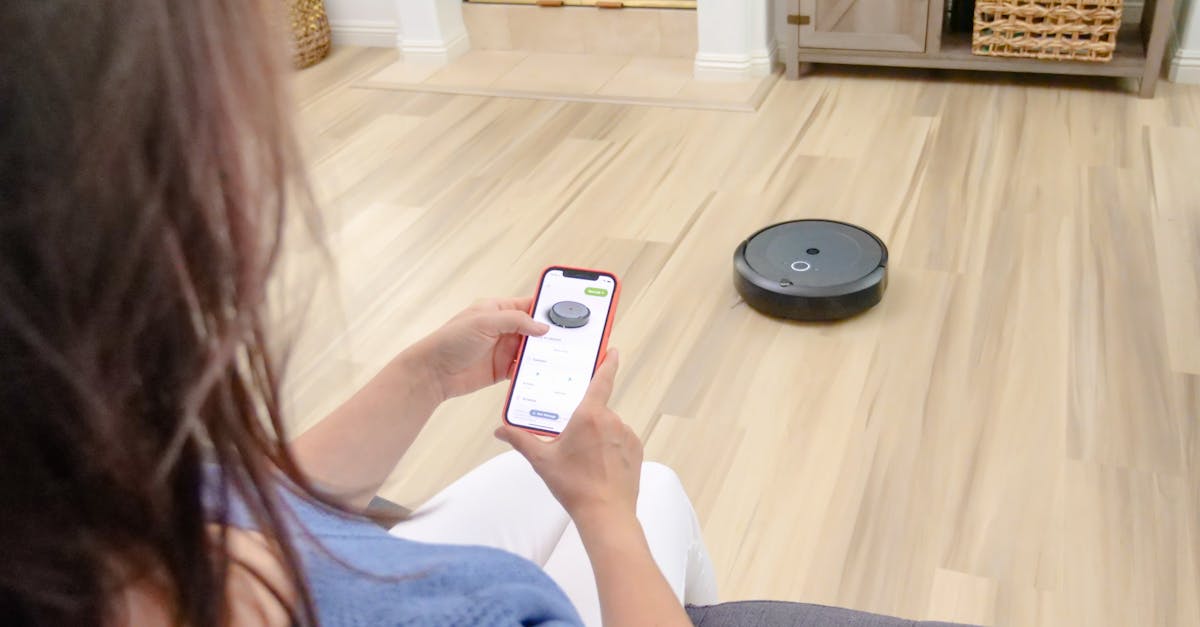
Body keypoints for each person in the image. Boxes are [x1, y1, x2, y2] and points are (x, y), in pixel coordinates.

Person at [0, 2, 717, 626]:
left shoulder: (77, 496)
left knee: (569, 480)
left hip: (340, 561)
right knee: (652, 488)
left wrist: (423, 377)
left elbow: (263, 505)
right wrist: (607, 517)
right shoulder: (471, 611)